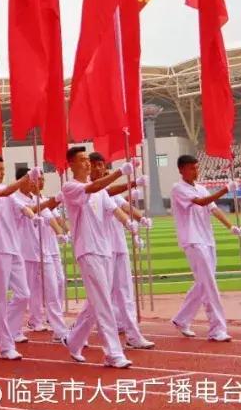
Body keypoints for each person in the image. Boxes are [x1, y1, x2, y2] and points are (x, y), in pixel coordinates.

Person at [55, 146, 140, 368]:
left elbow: (113, 209)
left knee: (96, 302)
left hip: (105, 249)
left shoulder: (100, 190)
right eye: (82, 160)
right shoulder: (70, 187)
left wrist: (130, 223)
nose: (87, 163)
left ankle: (73, 341)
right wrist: (120, 172)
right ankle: (113, 353)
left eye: (87, 160)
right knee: (103, 302)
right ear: (71, 164)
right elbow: (94, 186)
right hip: (88, 249)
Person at [0, 155, 44, 360]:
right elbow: (4, 192)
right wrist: (24, 180)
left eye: (3, 169)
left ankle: (0, 332)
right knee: (1, 297)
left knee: (24, 295)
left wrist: (35, 216)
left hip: (13, 248)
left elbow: (21, 206)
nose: (2, 173)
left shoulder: (7, 190)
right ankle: (5, 345)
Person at [170, 154, 241, 342]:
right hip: (193, 240)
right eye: (192, 168)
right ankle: (217, 328)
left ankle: (182, 319)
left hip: (207, 239)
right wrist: (226, 188)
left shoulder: (201, 188)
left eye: (197, 167)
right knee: (209, 284)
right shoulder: (178, 189)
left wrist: (231, 227)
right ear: (182, 170)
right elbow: (201, 202)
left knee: (203, 283)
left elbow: (213, 209)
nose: (196, 171)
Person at [86, 153, 155, 350]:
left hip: (118, 246)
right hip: (101, 250)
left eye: (101, 165)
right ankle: (78, 331)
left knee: (125, 293)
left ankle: (133, 335)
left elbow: (125, 207)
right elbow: (108, 191)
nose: (99, 168)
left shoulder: (108, 190)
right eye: (95, 165)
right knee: (100, 297)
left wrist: (141, 220)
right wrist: (132, 183)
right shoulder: (89, 190)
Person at [17, 171, 69, 342]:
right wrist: (53, 200)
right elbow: (29, 210)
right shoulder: (16, 198)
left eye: (38, 180)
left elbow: (49, 216)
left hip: (44, 251)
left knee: (53, 289)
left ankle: (59, 330)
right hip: (26, 253)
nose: (36, 183)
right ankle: (15, 327)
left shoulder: (37, 198)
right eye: (32, 180)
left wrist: (62, 232)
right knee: (24, 294)